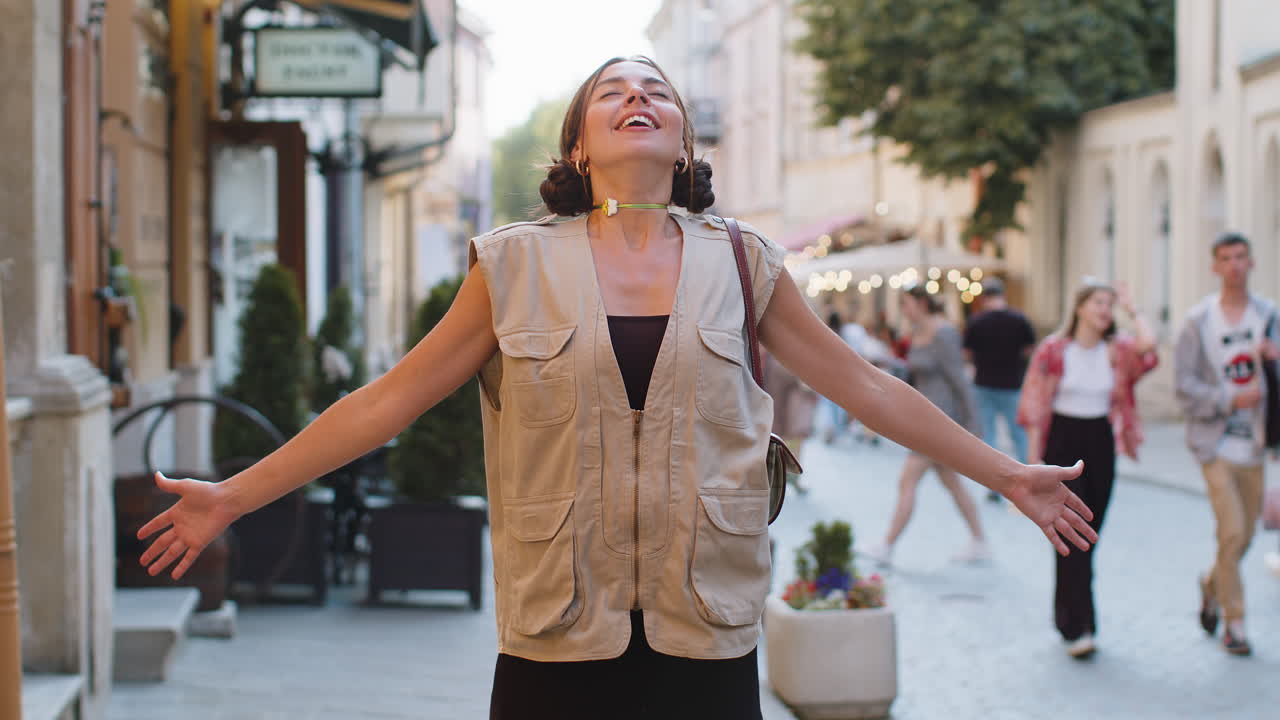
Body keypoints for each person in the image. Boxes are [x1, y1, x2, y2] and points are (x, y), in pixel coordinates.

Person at [134, 57, 1097, 720]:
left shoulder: (745, 263)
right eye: (614, 93)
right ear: (579, 148)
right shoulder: (512, 265)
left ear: (682, 144)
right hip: (557, 630)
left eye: (658, 92)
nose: (639, 97)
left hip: (705, 628)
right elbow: (388, 400)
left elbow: (867, 388)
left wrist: (1005, 473)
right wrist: (235, 495)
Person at [1017, 280, 1157, 659]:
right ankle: (1077, 626)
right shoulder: (1054, 349)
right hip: (1062, 444)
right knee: (1070, 535)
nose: (1105, 310)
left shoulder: (1117, 351)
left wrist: (1133, 309)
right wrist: (1033, 462)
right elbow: (1033, 405)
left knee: (1090, 536)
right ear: (1079, 307)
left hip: (1100, 445)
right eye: (1098, 302)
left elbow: (1148, 347)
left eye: (1109, 305)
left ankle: (1077, 620)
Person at [1174, 232, 1278, 657]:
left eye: (1241, 257)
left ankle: (1211, 583)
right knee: (1232, 530)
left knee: (1244, 536)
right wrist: (1228, 400)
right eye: (1226, 258)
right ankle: (1235, 624)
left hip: (1255, 446)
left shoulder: (1269, 316)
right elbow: (1183, 386)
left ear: (1251, 263)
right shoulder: (1198, 321)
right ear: (1215, 266)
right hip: (1215, 446)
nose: (1234, 265)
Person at [868, 284, 989, 566]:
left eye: (907, 304)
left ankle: (887, 545)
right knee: (951, 483)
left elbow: (959, 379)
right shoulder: (917, 333)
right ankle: (980, 540)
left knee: (907, 479)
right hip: (921, 417)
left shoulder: (944, 333)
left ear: (922, 303)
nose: (904, 310)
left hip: (939, 420)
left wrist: (973, 423)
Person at [964, 277, 1036, 500]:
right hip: (1012, 384)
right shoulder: (1019, 320)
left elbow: (967, 353)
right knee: (1019, 434)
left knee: (989, 436)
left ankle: (993, 486)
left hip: (984, 383)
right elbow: (1029, 349)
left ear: (984, 298)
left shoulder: (976, 322)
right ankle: (1030, 479)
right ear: (1003, 295)